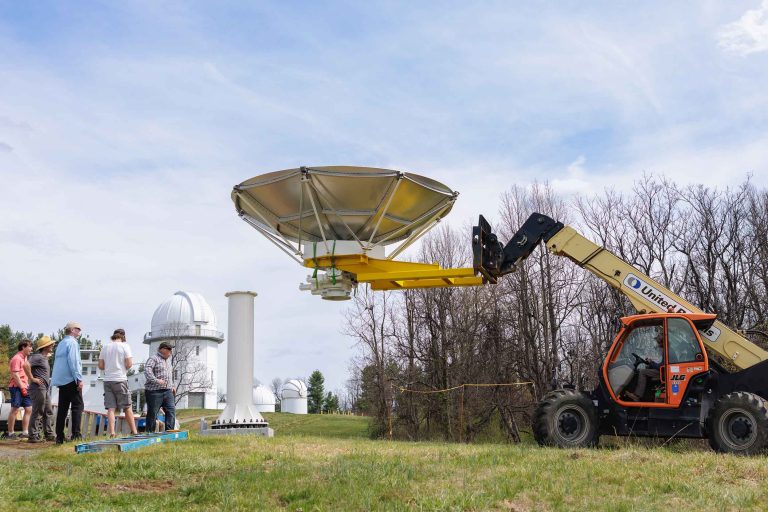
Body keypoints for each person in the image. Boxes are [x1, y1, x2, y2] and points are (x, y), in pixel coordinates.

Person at [98, 328, 138, 437]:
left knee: (111, 408)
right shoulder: (125, 346)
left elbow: (101, 366)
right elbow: (129, 364)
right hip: (120, 379)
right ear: (123, 337)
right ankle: (134, 431)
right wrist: (121, 366)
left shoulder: (105, 347)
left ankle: (112, 432)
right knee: (127, 407)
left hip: (107, 380)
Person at [51, 321, 84, 444]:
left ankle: (59, 436)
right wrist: (79, 379)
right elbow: (74, 362)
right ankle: (76, 434)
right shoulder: (72, 343)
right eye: (78, 329)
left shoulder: (61, 343)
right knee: (77, 406)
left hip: (61, 380)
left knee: (63, 408)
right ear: (72, 330)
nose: (80, 331)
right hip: (71, 379)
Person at [23, 335, 56, 443]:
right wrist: (32, 378)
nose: (52, 345)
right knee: (38, 412)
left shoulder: (43, 357)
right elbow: (25, 364)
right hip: (37, 388)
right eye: (50, 344)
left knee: (48, 411)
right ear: (45, 346)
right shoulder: (38, 357)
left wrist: (47, 356)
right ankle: (33, 435)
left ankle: (49, 434)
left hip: (44, 389)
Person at [144, 342, 176, 433]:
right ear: (163, 349)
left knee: (171, 410)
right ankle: (149, 433)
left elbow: (169, 374)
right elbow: (147, 371)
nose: (171, 352)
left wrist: (172, 385)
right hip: (154, 391)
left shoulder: (168, 360)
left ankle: (170, 432)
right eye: (169, 350)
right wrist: (156, 380)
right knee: (153, 413)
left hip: (168, 391)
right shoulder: (153, 359)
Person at [627, 331, 665, 401]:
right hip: (664, 371)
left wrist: (651, 362)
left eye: (658, 341)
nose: (657, 343)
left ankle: (637, 395)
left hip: (663, 373)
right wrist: (651, 363)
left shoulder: (666, 350)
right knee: (646, 369)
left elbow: (660, 366)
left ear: (661, 341)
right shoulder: (666, 350)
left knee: (642, 372)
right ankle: (647, 396)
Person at [6, 340, 33, 438]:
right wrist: (22, 388)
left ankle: (25, 432)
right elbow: (15, 375)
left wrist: (26, 386)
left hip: (25, 386)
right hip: (16, 387)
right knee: (15, 409)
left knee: (29, 409)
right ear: (23, 347)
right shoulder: (16, 358)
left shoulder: (25, 358)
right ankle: (10, 433)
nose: (31, 349)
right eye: (29, 346)